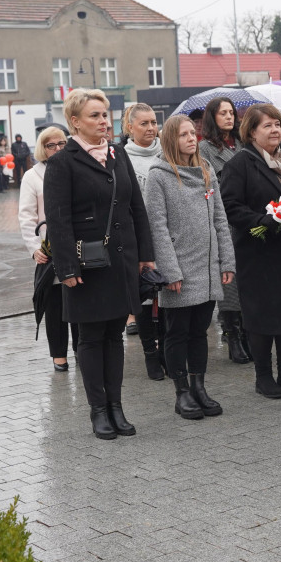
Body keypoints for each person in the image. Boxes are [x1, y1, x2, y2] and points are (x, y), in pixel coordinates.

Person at [44, 88, 155, 440]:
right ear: (74, 121)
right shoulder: (63, 162)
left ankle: (117, 407)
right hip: (86, 265)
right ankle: (98, 411)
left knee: (115, 335)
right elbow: (58, 220)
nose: (103, 121)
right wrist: (67, 269)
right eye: (95, 115)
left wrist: (145, 256)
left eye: (105, 114)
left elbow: (136, 208)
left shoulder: (118, 155)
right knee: (91, 338)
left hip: (120, 261)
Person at [145, 115, 236, 420]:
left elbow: (220, 220)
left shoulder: (206, 170)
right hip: (180, 270)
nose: (191, 139)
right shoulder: (159, 175)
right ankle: (181, 392)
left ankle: (200, 387)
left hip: (208, 266)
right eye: (183, 134)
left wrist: (227, 260)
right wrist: (170, 271)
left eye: (192, 133)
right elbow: (156, 226)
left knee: (200, 331)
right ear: (171, 139)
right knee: (177, 333)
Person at [220, 103, 281, 399]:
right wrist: (263, 220)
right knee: (262, 315)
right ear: (251, 132)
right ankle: (263, 376)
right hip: (257, 251)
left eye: (277, 123)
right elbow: (230, 207)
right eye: (267, 126)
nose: (275, 130)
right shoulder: (240, 163)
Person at [19, 126, 78, 373]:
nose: (57, 149)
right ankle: (59, 355)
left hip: (77, 247)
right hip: (49, 249)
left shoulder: (75, 169)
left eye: (62, 143)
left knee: (78, 304)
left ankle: (82, 350)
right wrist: (34, 248)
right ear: (42, 148)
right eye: (51, 145)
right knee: (54, 307)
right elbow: (26, 216)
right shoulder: (32, 176)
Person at [199, 97, 251, 364]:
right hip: (224, 219)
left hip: (248, 216)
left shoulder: (244, 144)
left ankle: (249, 332)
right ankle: (233, 336)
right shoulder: (205, 149)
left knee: (249, 279)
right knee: (229, 280)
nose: (229, 117)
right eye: (223, 113)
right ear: (213, 117)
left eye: (231, 112)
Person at [122, 103, 170, 379]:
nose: (151, 128)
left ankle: (165, 348)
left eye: (154, 122)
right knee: (145, 295)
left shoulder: (166, 153)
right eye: (144, 123)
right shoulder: (122, 157)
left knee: (166, 294)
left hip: (167, 232)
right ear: (130, 127)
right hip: (139, 235)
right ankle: (150, 354)